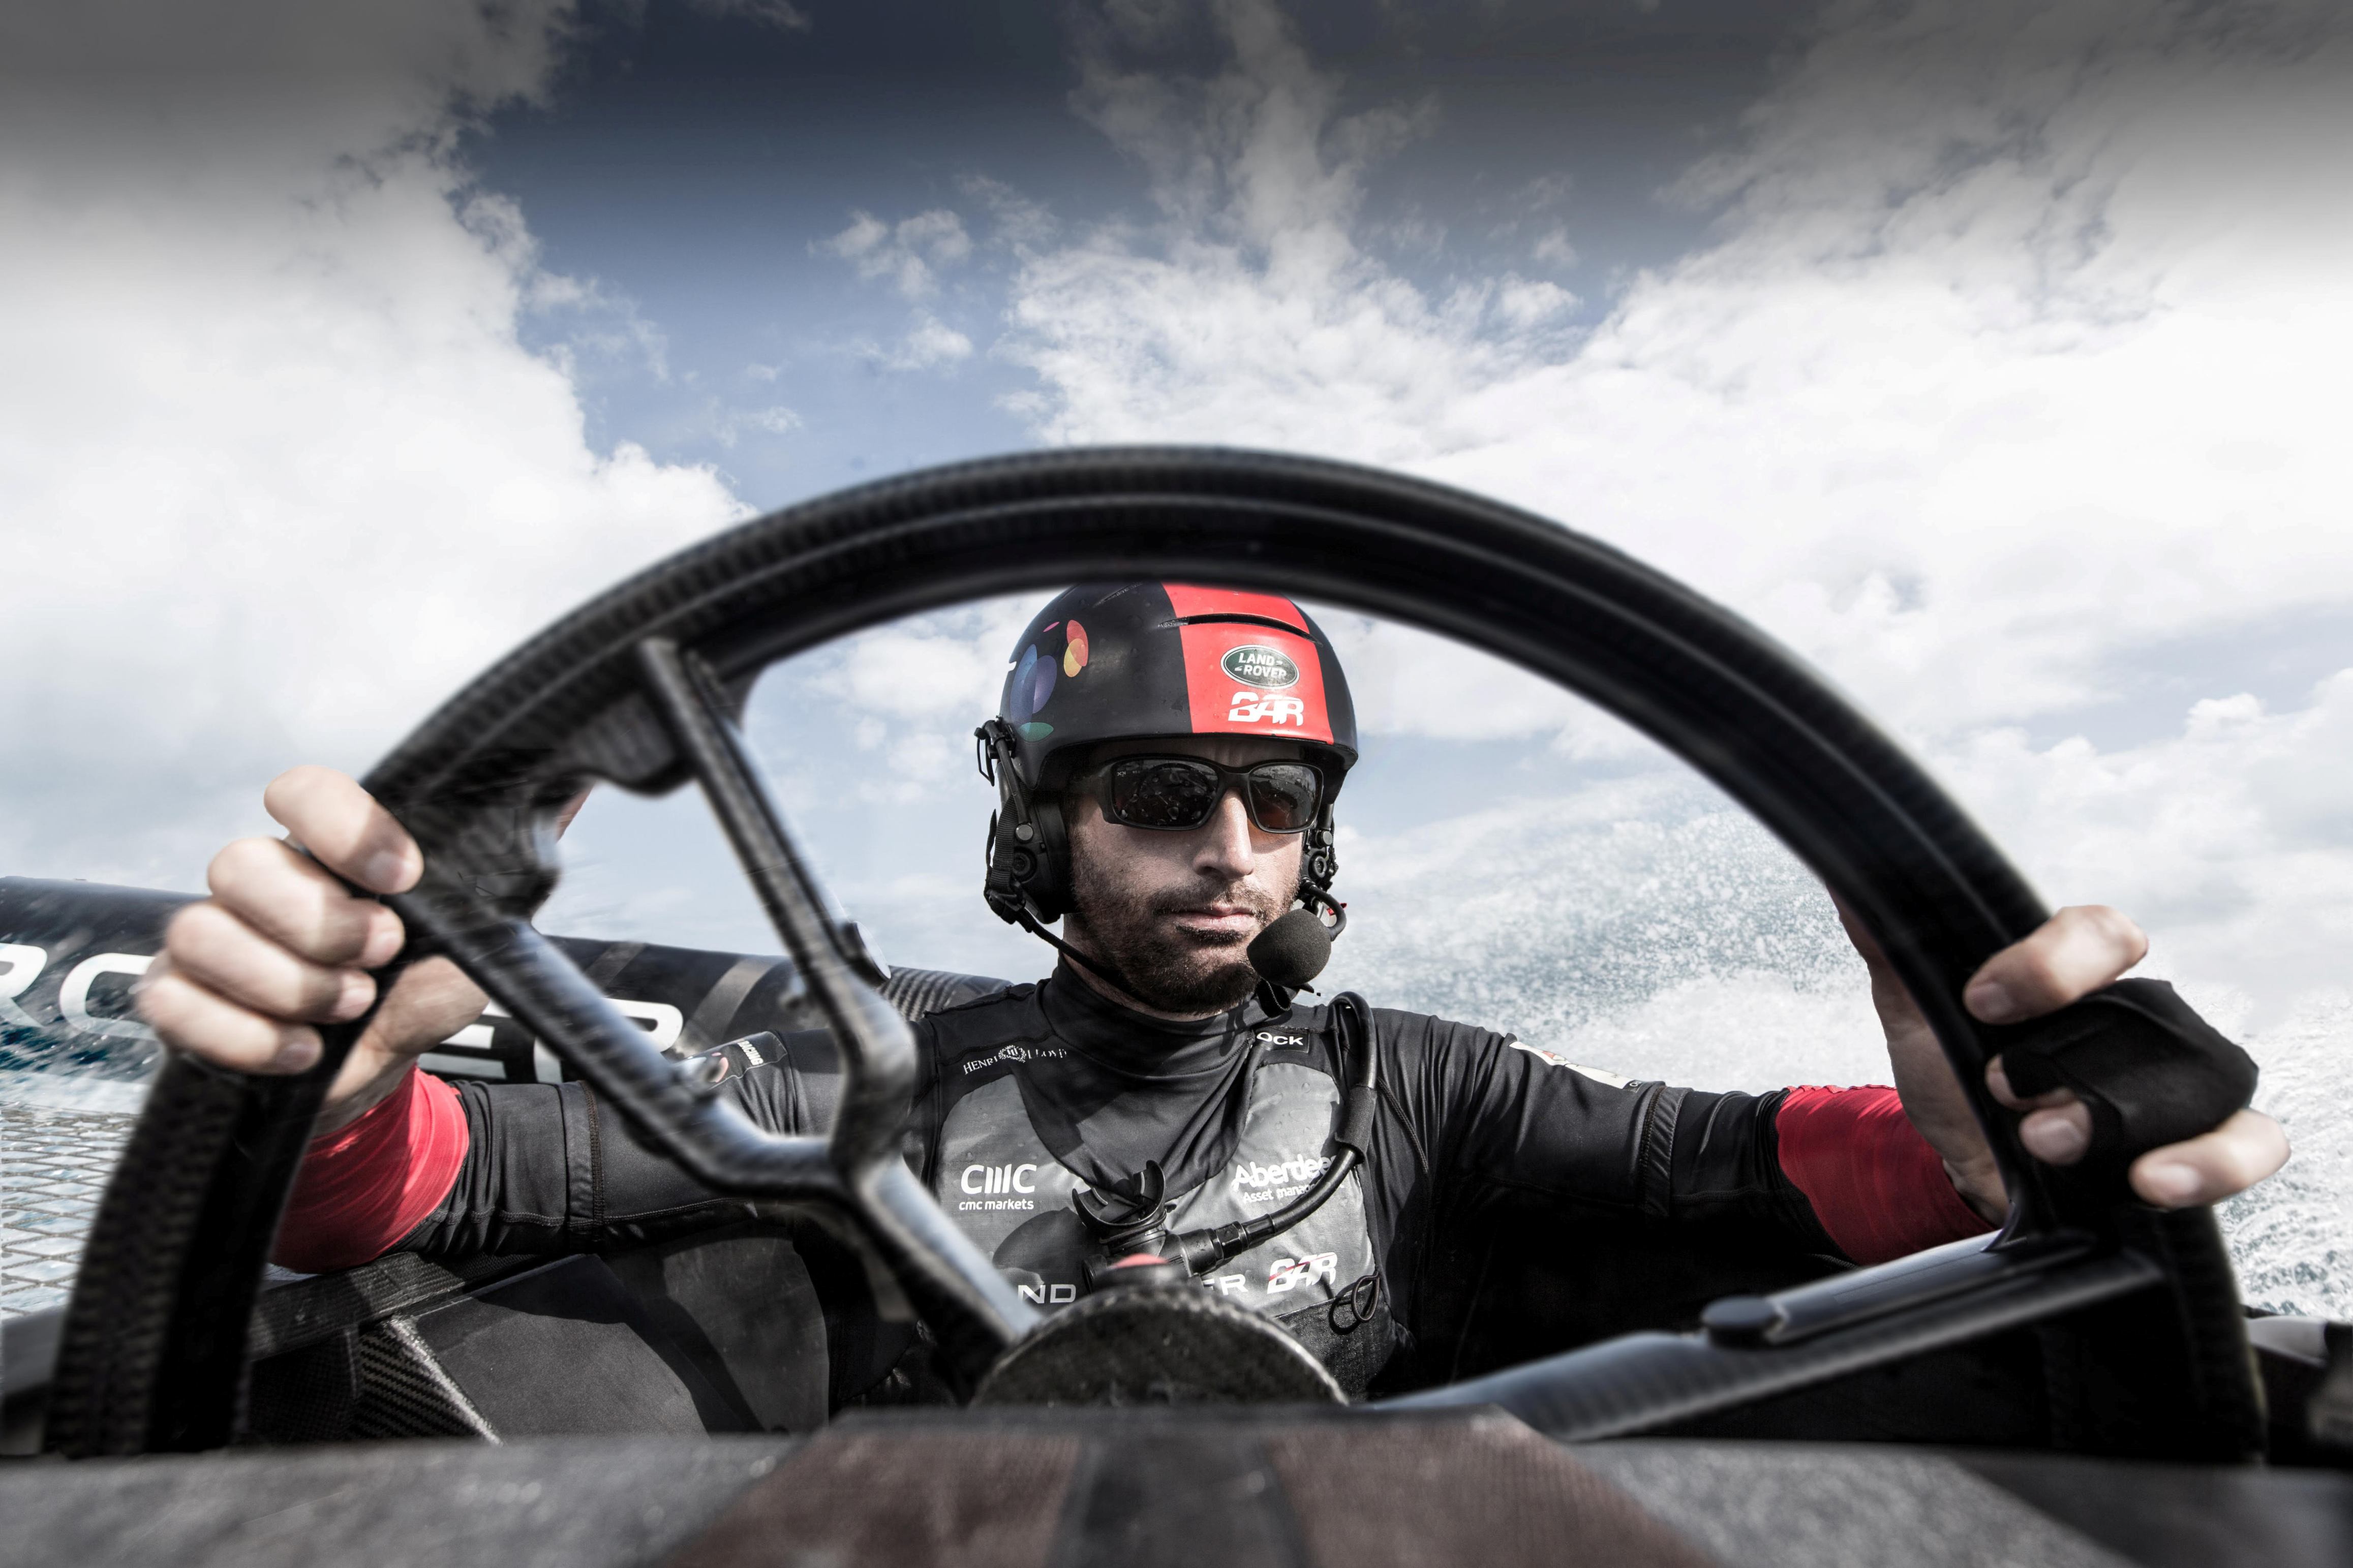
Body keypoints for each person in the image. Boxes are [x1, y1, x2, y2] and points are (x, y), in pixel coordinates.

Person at [138, 582, 2289, 1398]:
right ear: (1047, 830)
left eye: (1276, 802)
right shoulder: (869, 1079)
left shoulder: (1424, 1090)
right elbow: (412, 1186)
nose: (1234, 849)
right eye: (1166, 798)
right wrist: (339, 1066)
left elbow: (1847, 1178)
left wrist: (1995, 1110)